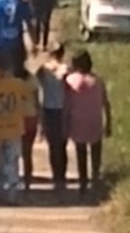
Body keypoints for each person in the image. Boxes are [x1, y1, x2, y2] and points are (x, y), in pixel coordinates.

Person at [64, 50, 112, 200]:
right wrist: (109, 122)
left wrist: (64, 121)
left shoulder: (69, 81)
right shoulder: (98, 81)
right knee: (96, 151)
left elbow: (67, 105)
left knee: (81, 152)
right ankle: (95, 178)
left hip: (78, 121)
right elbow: (106, 104)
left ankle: (83, 183)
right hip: (95, 120)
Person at [0, 51, 28, 204]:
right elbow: (28, 103)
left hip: (0, 128)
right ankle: (13, 193)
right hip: (16, 127)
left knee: (1, 160)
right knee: (14, 161)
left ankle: (2, 190)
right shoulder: (20, 85)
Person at [37, 43, 69, 191]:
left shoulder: (43, 69)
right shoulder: (66, 69)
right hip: (63, 109)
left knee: (53, 145)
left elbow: (37, 83)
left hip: (48, 109)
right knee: (62, 145)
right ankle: (61, 176)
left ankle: (56, 177)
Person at [14, 57, 40, 193]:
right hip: (31, 116)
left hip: (15, 118)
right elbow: (37, 101)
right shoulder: (32, 80)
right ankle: (27, 181)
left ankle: (15, 179)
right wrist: (40, 119)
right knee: (27, 152)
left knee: (13, 152)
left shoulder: (12, 81)